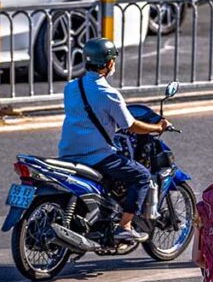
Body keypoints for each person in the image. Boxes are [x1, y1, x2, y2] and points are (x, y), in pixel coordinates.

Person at [58, 38, 170, 244]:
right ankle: (125, 226)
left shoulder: (71, 87)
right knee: (141, 176)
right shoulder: (109, 94)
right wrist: (157, 127)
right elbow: (130, 126)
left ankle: (104, 216)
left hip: (67, 153)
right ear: (109, 63)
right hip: (97, 156)